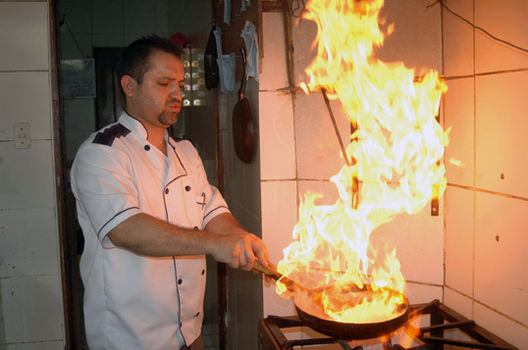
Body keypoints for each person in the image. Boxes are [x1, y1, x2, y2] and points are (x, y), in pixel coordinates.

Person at [70, 35, 270, 350]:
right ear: (129, 86)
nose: (177, 94)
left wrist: (237, 238)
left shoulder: (185, 152)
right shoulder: (102, 153)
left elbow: (213, 212)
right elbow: (125, 229)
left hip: (188, 334)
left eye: (179, 83)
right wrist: (215, 244)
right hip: (130, 339)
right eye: (164, 83)